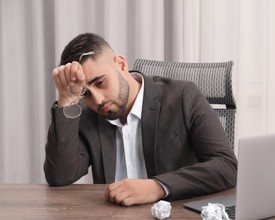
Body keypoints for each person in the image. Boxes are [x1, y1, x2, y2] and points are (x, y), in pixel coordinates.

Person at [44, 32, 237, 206]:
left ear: (121, 64)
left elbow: (227, 166)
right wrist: (67, 100)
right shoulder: (87, 113)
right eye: (85, 93)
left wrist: (157, 187)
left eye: (100, 83)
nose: (98, 99)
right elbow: (60, 176)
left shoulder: (183, 96)